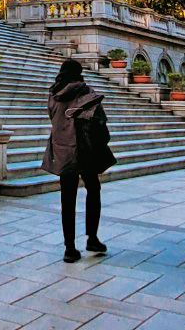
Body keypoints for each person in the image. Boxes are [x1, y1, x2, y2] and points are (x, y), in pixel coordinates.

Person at [42, 59, 116, 262]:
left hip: (62, 150)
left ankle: (69, 248)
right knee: (93, 190)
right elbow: (99, 121)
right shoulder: (86, 92)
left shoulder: (53, 94)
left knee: (67, 199)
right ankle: (92, 238)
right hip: (85, 150)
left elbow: (53, 118)